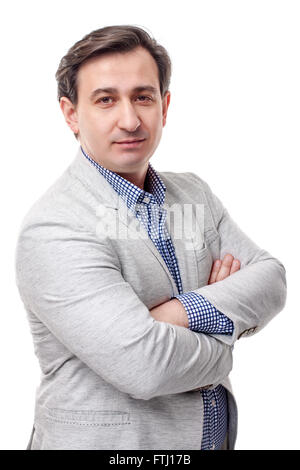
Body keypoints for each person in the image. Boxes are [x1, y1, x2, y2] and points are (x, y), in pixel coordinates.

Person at [15, 25, 287, 451]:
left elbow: (271, 279)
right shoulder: (55, 227)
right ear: (70, 114)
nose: (130, 119)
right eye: (106, 100)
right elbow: (146, 367)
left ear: (165, 105)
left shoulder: (193, 194)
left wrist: (178, 312)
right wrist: (225, 339)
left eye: (143, 96)